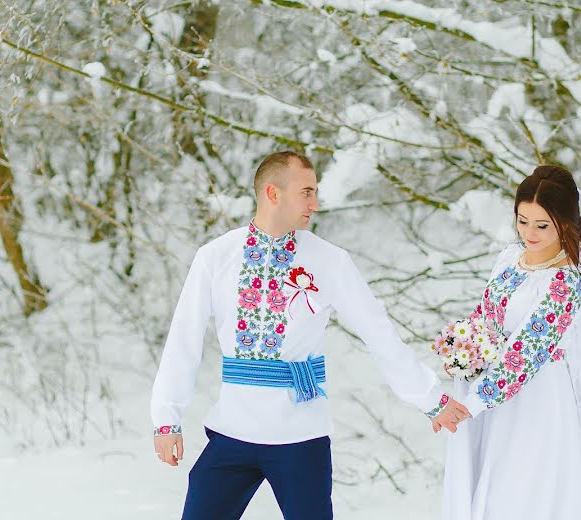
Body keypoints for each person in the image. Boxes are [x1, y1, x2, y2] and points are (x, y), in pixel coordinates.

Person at [152, 151, 469, 520]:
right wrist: (166, 418)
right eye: (306, 192)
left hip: (300, 440)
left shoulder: (330, 261)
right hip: (232, 435)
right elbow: (183, 342)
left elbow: (378, 333)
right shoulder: (215, 257)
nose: (315, 204)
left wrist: (430, 397)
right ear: (273, 193)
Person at [441, 165, 581, 520]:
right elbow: (484, 318)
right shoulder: (508, 260)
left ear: (564, 223)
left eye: (541, 225)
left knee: (521, 492)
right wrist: (462, 351)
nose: (529, 233)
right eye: (522, 220)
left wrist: (472, 404)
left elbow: (528, 351)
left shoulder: (567, 282)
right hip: (491, 394)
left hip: (537, 399)